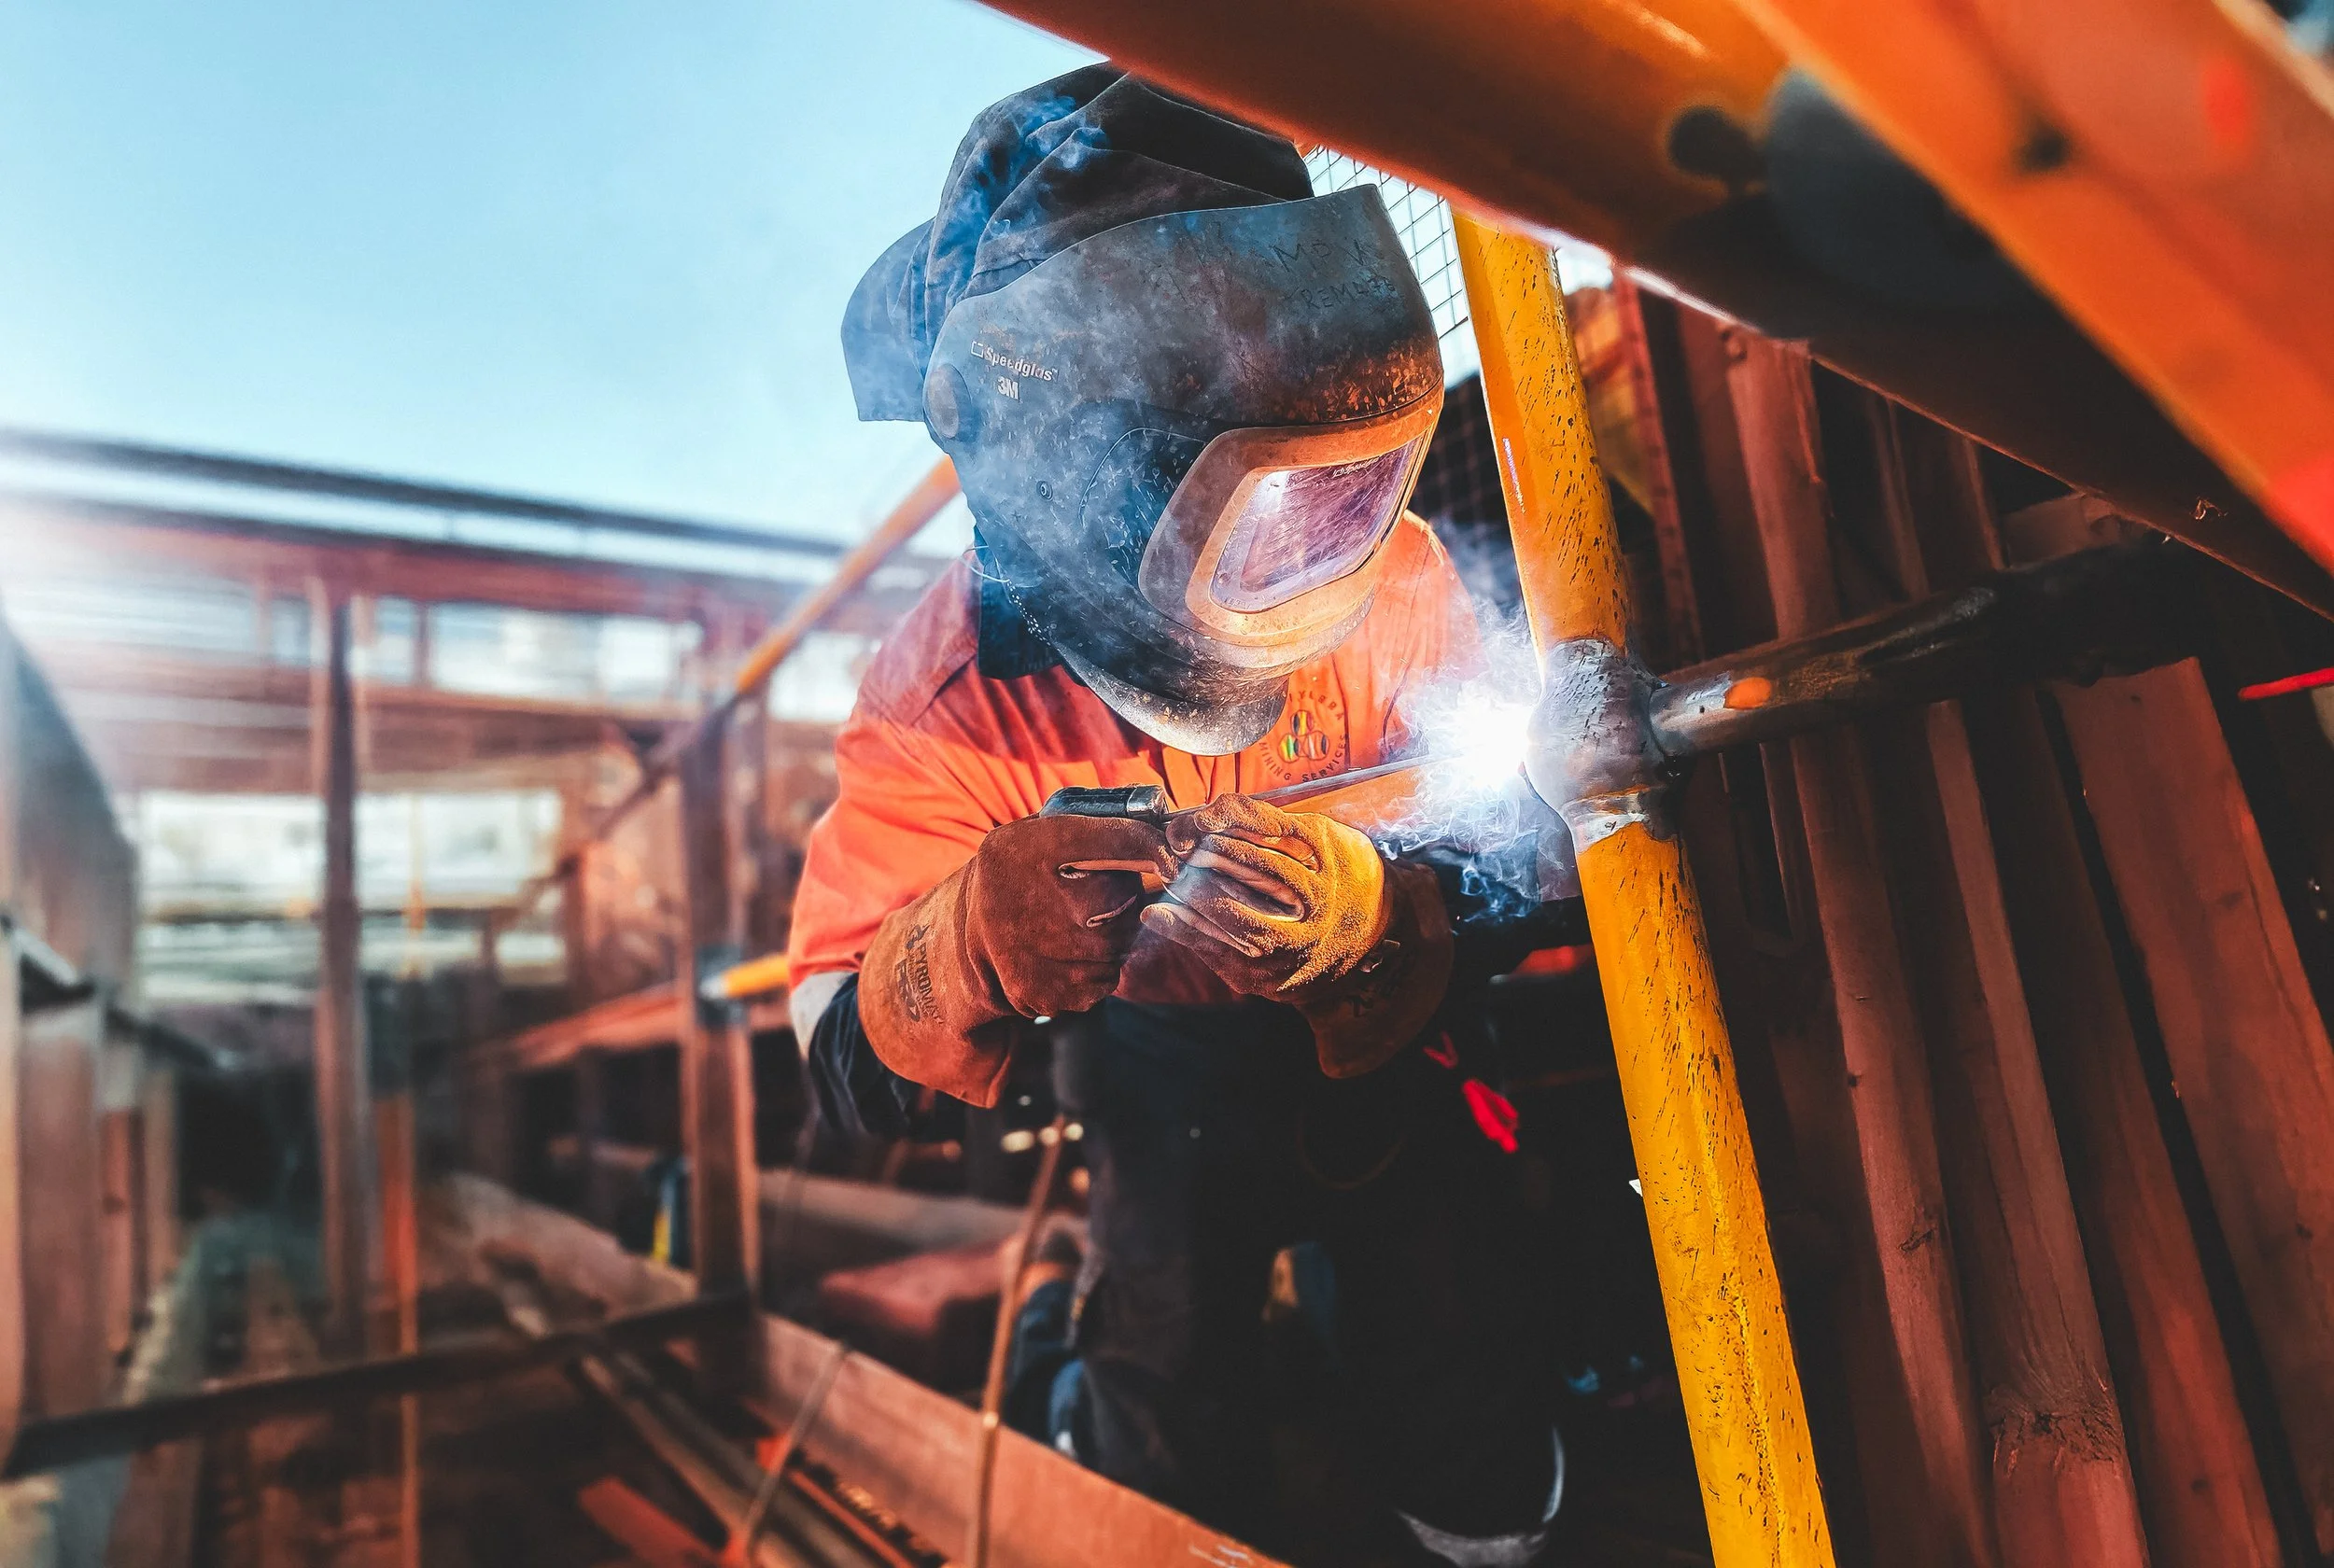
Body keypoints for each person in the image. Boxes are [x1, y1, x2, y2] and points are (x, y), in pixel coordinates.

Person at [786, 65, 1565, 1565]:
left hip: (1382, 1026)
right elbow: (837, 1044)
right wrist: (961, 949)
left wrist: (1386, 914)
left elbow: (1511, 852)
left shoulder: (1385, 571)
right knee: (1165, 1373)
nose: (1311, 556)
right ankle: (1095, 1413)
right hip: (1152, 1062)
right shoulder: (941, 699)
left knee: (1454, 1354)